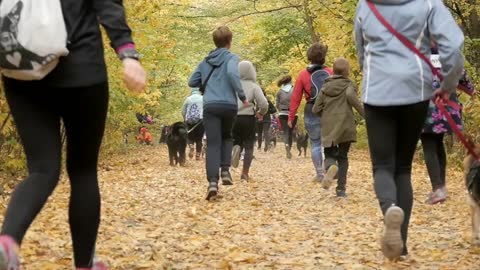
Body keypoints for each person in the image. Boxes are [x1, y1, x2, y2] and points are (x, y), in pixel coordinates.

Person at [0, 1, 147, 269]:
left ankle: (7, 242)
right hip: (81, 68)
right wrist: (128, 54)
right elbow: (108, 5)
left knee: (42, 170)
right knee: (82, 171)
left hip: (22, 69)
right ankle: (84, 265)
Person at [355, 0, 464, 260]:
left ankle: (390, 208)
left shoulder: (365, 4)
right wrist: (448, 83)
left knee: (382, 166)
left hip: (376, 91)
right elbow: (453, 45)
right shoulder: (428, 3)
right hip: (415, 90)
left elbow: (360, 49)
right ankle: (401, 247)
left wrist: (370, 73)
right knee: (402, 168)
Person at [188, 26, 247, 201]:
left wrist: (205, 84)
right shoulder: (232, 58)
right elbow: (231, 74)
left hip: (210, 106)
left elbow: (192, 81)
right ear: (230, 41)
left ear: (215, 41)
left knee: (213, 143)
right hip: (228, 105)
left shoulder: (205, 61)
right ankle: (225, 171)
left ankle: (212, 183)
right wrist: (242, 96)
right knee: (227, 137)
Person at [421, 45, 475, 204]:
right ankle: (441, 187)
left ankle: (438, 188)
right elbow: (462, 76)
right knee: (438, 143)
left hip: (424, 106)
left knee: (429, 145)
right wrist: (472, 91)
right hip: (446, 106)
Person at [312, 58, 364, 198]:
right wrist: (366, 115)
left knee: (329, 154)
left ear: (333, 71)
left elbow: (316, 108)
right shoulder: (348, 85)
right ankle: (341, 189)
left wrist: (325, 115)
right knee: (343, 157)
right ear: (347, 72)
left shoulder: (325, 87)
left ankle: (330, 168)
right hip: (346, 126)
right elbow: (353, 99)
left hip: (329, 126)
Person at [289, 42, 333, 181]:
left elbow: (295, 98)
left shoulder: (302, 74)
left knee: (315, 143)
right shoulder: (330, 72)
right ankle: (330, 167)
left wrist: (291, 117)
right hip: (328, 111)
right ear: (323, 56)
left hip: (311, 110)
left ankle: (319, 173)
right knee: (328, 142)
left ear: (309, 56)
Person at [231, 61, 268, 180]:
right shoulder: (254, 86)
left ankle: (235, 147)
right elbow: (263, 103)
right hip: (248, 118)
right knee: (249, 145)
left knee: (236, 140)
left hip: (233, 118)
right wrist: (260, 113)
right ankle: (245, 173)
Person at [276, 75, 296, 158]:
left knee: (286, 131)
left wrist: (280, 109)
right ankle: (289, 148)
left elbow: (277, 104)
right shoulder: (294, 89)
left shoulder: (279, 91)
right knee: (290, 131)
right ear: (290, 81)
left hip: (282, 114)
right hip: (293, 113)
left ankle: (287, 145)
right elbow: (296, 100)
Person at [182, 88, 204, 160]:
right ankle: (197, 155)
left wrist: (185, 118)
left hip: (189, 121)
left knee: (189, 137)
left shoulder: (188, 99)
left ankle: (191, 145)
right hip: (200, 121)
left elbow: (183, 110)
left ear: (192, 92)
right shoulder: (203, 98)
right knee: (199, 139)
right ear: (199, 92)